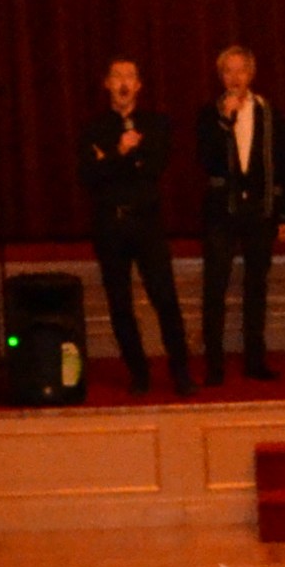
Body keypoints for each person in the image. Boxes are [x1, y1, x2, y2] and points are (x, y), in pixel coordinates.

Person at [80, 56, 187, 397]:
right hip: (110, 224)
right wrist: (122, 153)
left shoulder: (156, 124)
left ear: (139, 85)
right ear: (107, 84)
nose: (124, 83)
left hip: (147, 222)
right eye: (117, 76)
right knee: (120, 304)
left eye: (130, 77)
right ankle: (138, 372)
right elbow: (90, 177)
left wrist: (111, 159)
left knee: (165, 298)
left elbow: (152, 168)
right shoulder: (94, 129)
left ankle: (181, 372)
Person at [197, 43, 280, 387]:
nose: (234, 77)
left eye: (240, 70)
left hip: (259, 211)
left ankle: (255, 360)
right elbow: (207, 159)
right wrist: (224, 122)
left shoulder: (267, 112)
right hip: (222, 212)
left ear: (251, 74)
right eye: (228, 71)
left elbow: (281, 162)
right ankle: (214, 363)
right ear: (221, 76)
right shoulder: (209, 114)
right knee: (215, 287)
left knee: (256, 286)